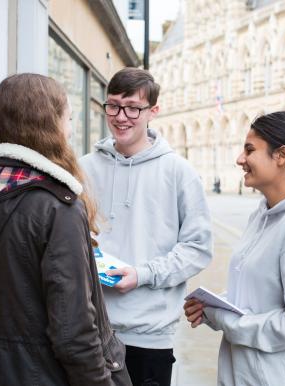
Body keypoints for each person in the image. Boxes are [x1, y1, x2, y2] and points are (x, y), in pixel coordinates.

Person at [0, 74, 131, 386]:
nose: (71, 129)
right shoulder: (57, 207)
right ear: (49, 125)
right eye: (67, 118)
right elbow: (75, 335)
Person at [184, 111, 285, 386]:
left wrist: (226, 320)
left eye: (250, 150)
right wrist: (211, 307)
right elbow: (257, 295)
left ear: (281, 156)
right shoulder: (262, 214)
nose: (240, 159)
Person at [80, 68, 213, 386]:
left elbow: (197, 249)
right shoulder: (84, 168)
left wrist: (143, 274)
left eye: (132, 108)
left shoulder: (179, 172)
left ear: (154, 111)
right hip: (89, 331)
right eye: (113, 105)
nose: (121, 116)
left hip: (149, 337)